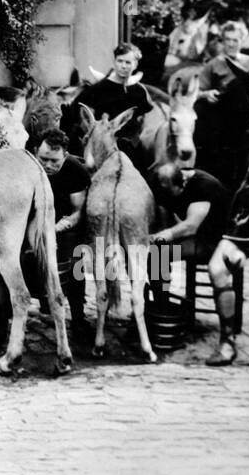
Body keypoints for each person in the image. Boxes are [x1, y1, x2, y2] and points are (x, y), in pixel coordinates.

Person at [0, 129, 90, 347]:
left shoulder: (75, 171)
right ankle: (1, 324)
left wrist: (60, 226)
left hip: (63, 230)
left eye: (55, 161)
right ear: (35, 152)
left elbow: (78, 211)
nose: (49, 166)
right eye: (44, 159)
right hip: (24, 226)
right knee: (4, 263)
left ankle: (79, 320)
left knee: (76, 264)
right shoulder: (24, 167)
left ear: (66, 155)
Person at [149, 163, 235, 365]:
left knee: (159, 253)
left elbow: (190, 227)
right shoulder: (172, 181)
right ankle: (161, 306)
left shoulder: (202, 187)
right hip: (198, 238)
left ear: (182, 183)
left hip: (213, 242)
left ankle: (163, 308)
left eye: (172, 192)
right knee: (157, 253)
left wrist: (163, 235)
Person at [72, 42, 152, 162]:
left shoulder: (139, 91)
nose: (123, 66)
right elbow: (79, 118)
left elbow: (144, 119)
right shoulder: (97, 89)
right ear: (114, 62)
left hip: (130, 149)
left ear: (135, 65)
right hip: (102, 147)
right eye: (120, 61)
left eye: (128, 62)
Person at [198, 20, 249, 98]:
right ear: (223, 40)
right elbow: (197, 92)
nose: (231, 44)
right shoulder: (212, 64)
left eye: (235, 40)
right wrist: (207, 94)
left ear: (242, 41)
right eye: (227, 39)